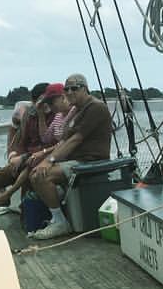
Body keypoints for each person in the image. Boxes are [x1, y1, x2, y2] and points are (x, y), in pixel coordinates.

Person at [27, 73, 113, 240]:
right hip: (75, 160)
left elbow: (75, 139)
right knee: (35, 172)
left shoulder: (95, 107)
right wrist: (46, 159)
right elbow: (64, 140)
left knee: (41, 176)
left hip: (90, 161)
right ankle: (56, 214)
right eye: (67, 89)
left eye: (75, 88)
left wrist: (49, 160)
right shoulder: (78, 111)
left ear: (85, 89)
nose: (70, 92)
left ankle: (60, 223)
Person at [0, 83, 69, 215]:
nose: (46, 105)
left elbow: (53, 144)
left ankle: (12, 201)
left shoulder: (58, 115)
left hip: (43, 158)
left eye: (50, 101)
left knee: (30, 177)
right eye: (42, 102)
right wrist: (13, 156)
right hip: (27, 158)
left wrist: (25, 157)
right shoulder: (29, 116)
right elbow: (21, 141)